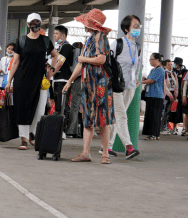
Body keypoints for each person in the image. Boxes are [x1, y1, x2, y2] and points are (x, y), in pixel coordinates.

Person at [61, 9, 114, 163]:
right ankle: (85, 152)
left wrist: (84, 58)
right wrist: (70, 81)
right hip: (89, 84)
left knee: (103, 120)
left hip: (100, 84)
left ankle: (105, 154)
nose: (83, 24)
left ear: (91, 23)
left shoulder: (101, 38)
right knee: (87, 119)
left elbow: (101, 60)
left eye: (85, 22)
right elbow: (81, 63)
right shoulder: (91, 38)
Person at [4, 13, 62, 150]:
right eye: (32, 22)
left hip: (40, 80)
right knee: (22, 109)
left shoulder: (46, 40)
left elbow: (55, 56)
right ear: (28, 24)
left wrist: (51, 71)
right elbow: (15, 62)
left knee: (40, 110)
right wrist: (8, 81)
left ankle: (32, 133)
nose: (35, 24)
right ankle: (23, 139)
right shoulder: (21, 40)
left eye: (37, 22)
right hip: (21, 79)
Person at [110, 14, 142, 160]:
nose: (137, 29)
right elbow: (109, 64)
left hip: (130, 86)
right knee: (121, 116)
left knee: (116, 116)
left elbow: (137, 66)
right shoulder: (117, 44)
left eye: (139, 26)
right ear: (126, 28)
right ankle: (128, 147)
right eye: (135, 26)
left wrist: (136, 80)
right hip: (116, 87)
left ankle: (106, 146)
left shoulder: (138, 47)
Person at [141, 53, 167, 140]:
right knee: (150, 115)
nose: (150, 61)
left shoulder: (160, 70)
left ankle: (154, 134)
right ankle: (153, 134)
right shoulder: (153, 70)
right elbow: (149, 79)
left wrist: (140, 82)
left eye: (151, 59)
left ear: (157, 60)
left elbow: (151, 80)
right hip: (151, 95)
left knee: (155, 115)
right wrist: (144, 79)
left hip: (156, 96)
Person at [52, 25, 76, 116]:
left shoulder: (66, 47)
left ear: (63, 35)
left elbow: (60, 63)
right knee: (58, 105)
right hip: (58, 78)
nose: (54, 35)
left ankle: (64, 127)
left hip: (64, 79)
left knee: (62, 106)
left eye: (56, 33)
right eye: (54, 33)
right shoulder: (59, 47)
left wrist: (50, 73)